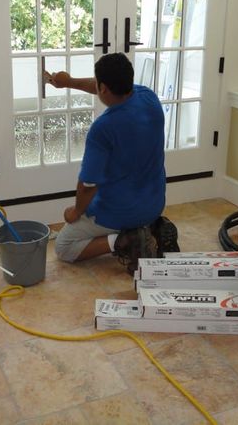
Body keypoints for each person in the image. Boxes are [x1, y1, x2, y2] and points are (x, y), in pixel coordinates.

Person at [45, 53, 178, 273]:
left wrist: (76, 211)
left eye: (98, 84)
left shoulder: (103, 128)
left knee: (64, 247)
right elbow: (103, 86)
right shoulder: (148, 97)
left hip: (119, 211)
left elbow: (88, 184)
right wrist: (68, 82)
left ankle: (126, 240)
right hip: (154, 203)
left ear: (104, 88)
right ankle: (151, 227)